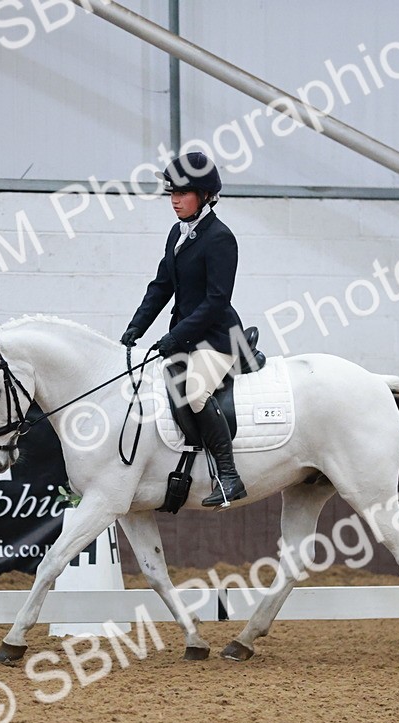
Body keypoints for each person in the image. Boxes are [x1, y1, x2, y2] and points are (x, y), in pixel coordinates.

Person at [120, 152, 247, 508]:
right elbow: (162, 285)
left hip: (219, 338)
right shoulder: (178, 232)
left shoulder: (221, 238)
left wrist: (176, 336)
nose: (174, 200)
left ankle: (229, 476)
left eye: (183, 193)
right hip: (189, 335)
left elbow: (216, 301)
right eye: (171, 193)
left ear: (205, 195)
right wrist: (136, 326)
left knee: (194, 393)